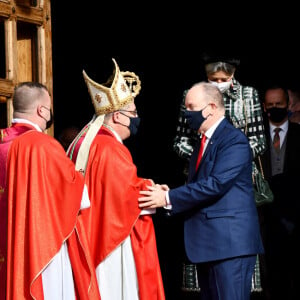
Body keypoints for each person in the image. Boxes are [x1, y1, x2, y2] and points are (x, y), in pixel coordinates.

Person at [139, 82, 264, 300]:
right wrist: (170, 193)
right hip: (210, 245)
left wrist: (168, 198)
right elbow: (201, 185)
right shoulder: (202, 142)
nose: (187, 113)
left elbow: (215, 185)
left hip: (229, 247)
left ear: (212, 108)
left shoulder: (234, 141)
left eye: (191, 107)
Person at [67, 58, 165, 300]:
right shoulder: (109, 147)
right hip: (109, 238)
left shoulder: (83, 142)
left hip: (89, 231)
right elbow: (123, 195)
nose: (136, 117)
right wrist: (154, 190)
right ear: (118, 116)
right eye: (133, 112)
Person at [172, 52, 267, 296]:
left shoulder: (238, 130)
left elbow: (254, 143)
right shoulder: (201, 137)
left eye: (223, 78)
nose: (188, 112)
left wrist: (169, 198)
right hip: (207, 234)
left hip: (229, 238)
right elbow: (180, 142)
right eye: (212, 78)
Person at [0, 82, 100, 299]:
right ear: (42, 111)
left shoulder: (2, 143)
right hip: (41, 247)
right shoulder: (45, 146)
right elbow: (79, 198)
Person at [259, 84, 300, 300]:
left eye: (280, 104)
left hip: (294, 219)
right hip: (263, 220)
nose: (275, 108)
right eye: (271, 105)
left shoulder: (299, 135)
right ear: (264, 106)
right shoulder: (254, 140)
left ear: (289, 105)